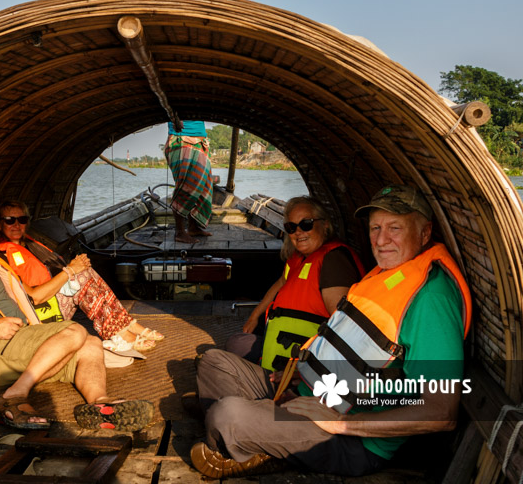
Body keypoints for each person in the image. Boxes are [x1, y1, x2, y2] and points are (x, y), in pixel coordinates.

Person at [189, 184, 472, 478]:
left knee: (228, 415)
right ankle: (260, 437)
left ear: (425, 233)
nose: (381, 240)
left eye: (395, 228)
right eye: (375, 228)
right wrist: (307, 371)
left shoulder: (431, 299)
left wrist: (340, 423)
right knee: (213, 362)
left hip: (350, 439)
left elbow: (441, 412)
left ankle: (249, 436)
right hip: (307, 393)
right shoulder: (384, 275)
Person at [0, 201, 153, 431]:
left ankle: (100, 403)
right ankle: (14, 395)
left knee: (91, 344)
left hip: (18, 341)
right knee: (76, 330)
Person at [0, 200, 164, 352]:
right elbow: (34, 297)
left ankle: (127, 324)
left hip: (52, 303)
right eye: (9, 220)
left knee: (85, 272)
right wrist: (70, 271)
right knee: (80, 278)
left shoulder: (29, 246)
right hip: (38, 316)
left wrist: (75, 269)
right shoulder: (1, 255)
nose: (16, 225)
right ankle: (117, 333)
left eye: (22, 220)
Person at [226, 196, 364, 367]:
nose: (298, 232)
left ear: (325, 225)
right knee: (236, 343)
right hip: (283, 344)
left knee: (231, 349)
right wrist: (255, 316)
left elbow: (342, 326)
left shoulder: (333, 261)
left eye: (306, 224)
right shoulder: (299, 258)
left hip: (301, 359)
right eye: (291, 227)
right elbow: (280, 283)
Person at [164, 120, 214, 243]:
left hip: (200, 142)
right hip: (182, 140)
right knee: (187, 187)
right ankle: (180, 232)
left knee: (202, 187)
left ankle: (193, 227)